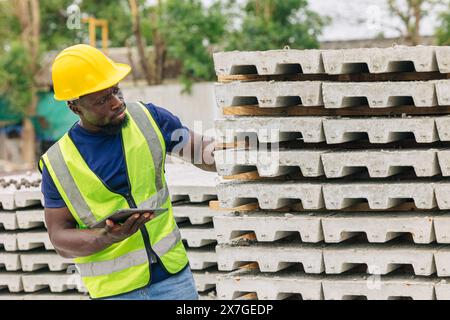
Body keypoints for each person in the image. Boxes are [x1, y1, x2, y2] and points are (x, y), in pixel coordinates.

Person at [38, 44, 216, 300]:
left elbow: (203, 153)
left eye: (116, 91)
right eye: (101, 99)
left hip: (174, 279)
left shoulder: (148, 118)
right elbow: (59, 238)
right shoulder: (57, 163)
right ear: (74, 106)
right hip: (114, 292)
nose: (116, 102)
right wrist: (107, 236)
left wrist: (246, 150)